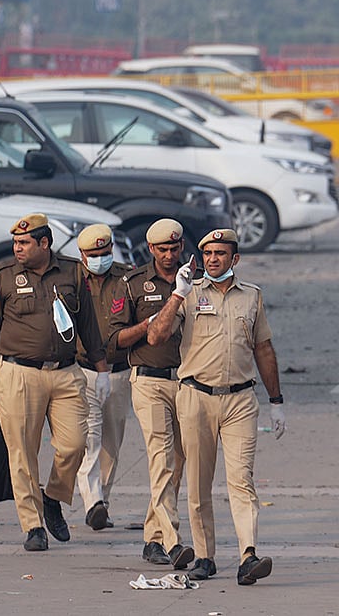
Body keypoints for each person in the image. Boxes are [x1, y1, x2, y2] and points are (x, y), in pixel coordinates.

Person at [148, 228, 286, 586]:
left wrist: (276, 401)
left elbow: (264, 349)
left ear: (234, 259)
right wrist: (177, 294)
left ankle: (248, 555)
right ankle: (205, 556)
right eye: (207, 253)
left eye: (220, 253)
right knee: (198, 483)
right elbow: (156, 336)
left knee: (241, 481)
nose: (212, 259)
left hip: (240, 399)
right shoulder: (189, 294)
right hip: (195, 398)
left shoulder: (252, 297)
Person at [0, 213, 110, 552]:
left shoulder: (73, 272)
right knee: (22, 452)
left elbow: (88, 324)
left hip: (65, 372)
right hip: (18, 374)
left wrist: (102, 369)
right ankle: (33, 526)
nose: (17, 248)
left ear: (44, 243)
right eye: (16, 243)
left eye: (24, 243)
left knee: (75, 443)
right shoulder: (2, 276)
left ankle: (53, 497)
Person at [109, 218, 194, 569]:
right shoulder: (132, 284)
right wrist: (148, 324)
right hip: (148, 380)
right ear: (151, 249)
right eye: (163, 249)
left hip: (188, 382)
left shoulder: (195, 280)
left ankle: (152, 538)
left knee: (178, 462)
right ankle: (173, 541)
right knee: (161, 458)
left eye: (175, 248)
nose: (170, 254)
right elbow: (114, 340)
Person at [72, 224, 134, 532]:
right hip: (82, 370)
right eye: (94, 255)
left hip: (120, 370)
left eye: (105, 253)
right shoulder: (70, 279)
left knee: (112, 440)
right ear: (82, 255)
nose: (101, 259)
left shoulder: (127, 277)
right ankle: (92, 500)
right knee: (90, 439)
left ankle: (102, 503)